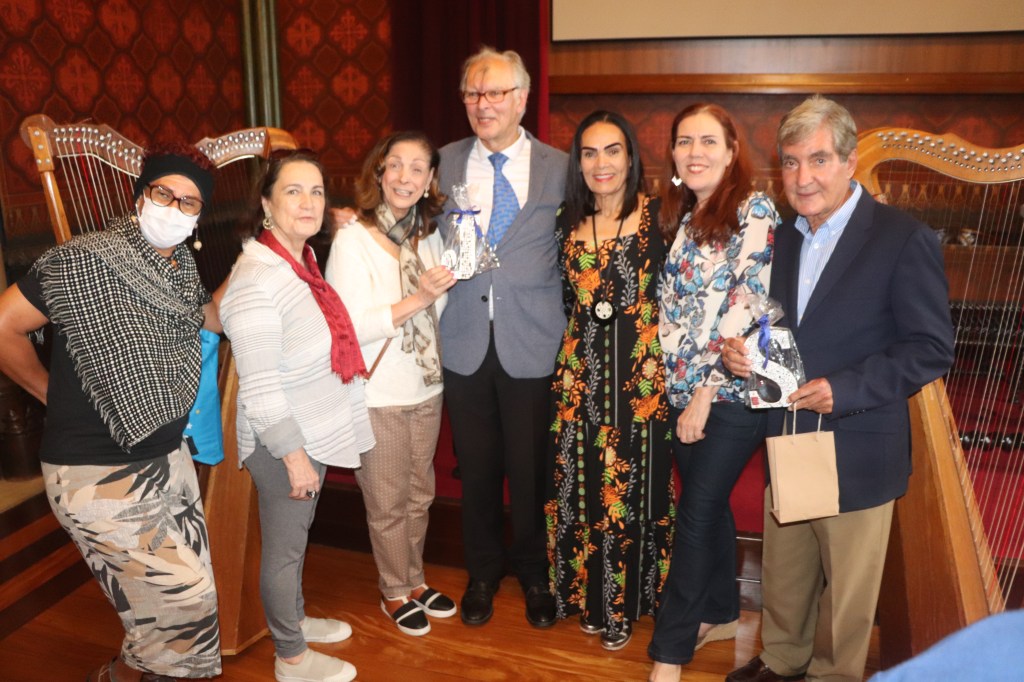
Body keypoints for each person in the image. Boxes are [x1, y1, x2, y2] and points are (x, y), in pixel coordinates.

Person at [722, 95, 955, 682]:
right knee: (787, 570)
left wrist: (846, 389)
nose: (803, 177)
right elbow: (777, 323)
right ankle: (782, 658)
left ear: (850, 162)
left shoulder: (903, 238)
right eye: (791, 162)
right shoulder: (784, 238)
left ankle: (831, 675)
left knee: (846, 595)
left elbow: (930, 348)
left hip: (857, 440)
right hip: (789, 434)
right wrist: (743, 352)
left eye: (819, 159)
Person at [0, 144, 222, 681]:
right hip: (93, 469)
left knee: (166, 609)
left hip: (166, 458)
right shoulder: (82, 259)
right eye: (164, 192)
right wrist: (48, 393)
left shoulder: (181, 270)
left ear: (198, 217)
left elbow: (211, 316)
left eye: (189, 201)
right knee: (188, 597)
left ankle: (123, 674)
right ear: (140, 195)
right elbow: (3, 327)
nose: (174, 207)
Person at [220, 149, 372, 682]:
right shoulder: (256, 279)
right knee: (284, 552)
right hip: (284, 442)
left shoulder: (299, 262)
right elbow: (260, 390)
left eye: (316, 191)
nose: (308, 202)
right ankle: (291, 658)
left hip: (310, 429)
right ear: (266, 203)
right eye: (292, 191)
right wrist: (294, 457)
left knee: (297, 539)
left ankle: (297, 620)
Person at [436, 46, 568, 628]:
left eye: (494, 93)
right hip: (464, 339)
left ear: (521, 99)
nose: (482, 104)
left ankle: (536, 572)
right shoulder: (440, 163)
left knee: (532, 468)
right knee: (478, 469)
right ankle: (484, 572)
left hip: (533, 341)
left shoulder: (561, 168)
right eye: (472, 93)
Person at [647, 104, 778, 681]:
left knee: (696, 514)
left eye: (707, 141)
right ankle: (722, 612)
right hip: (679, 392)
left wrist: (705, 391)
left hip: (731, 394)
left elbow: (747, 304)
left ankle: (669, 652)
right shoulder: (684, 214)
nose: (694, 152)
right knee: (711, 503)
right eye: (683, 141)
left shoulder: (754, 208)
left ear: (731, 151)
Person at [545, 110, 673, 651]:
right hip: (579, 382)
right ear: (578, 162)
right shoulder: (564, 220)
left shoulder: (661, 216)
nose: (602, 163)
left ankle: (624, 606)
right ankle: (588, 600)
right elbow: (564, 300)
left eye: (613, 150)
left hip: (640, 384)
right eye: (590, 152)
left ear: (631, 156)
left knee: (632, 493)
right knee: (583, 489)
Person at [326, 131, 457, 637]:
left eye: (417, 168)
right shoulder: (353, 238)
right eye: (395, 165)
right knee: (386, 501)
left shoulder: (430, 237)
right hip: (378, 391)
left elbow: (441, 309)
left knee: (420, 495)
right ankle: (393, 589)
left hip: (426, 386)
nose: (405, 177)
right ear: (379, 173)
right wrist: (418, 298)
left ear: (430, 179)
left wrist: (430, 297)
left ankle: (415, 580)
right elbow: (348, 326)